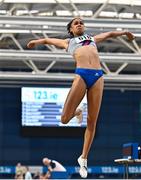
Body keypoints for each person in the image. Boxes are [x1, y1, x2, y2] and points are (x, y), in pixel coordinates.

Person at [27, 17, 135, 178]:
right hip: (82, 75)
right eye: (75, 23)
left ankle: (83, 158)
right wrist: (35, 42)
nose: (79, 24)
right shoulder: (67, 42)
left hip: (98, 76)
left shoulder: (92, 38)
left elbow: (109, 34)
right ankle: (77, 112)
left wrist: (125, 32)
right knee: (64, 119)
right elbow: (48, 40)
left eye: (81, 22)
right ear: (70, 29)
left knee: (92, 121)